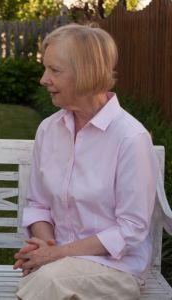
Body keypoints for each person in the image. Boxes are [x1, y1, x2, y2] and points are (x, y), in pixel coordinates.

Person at [13, 23, 158, 300]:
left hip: (115, 267)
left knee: (47, 284)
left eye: (55, 70)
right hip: (59, 264)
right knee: (46, 280)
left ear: (86, 74)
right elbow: (39, 204)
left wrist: (57, 254)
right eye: (46, 69)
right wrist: (44, 247)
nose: (44, 79)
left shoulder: (130, 138)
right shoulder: (48, 129)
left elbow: (131, 230)